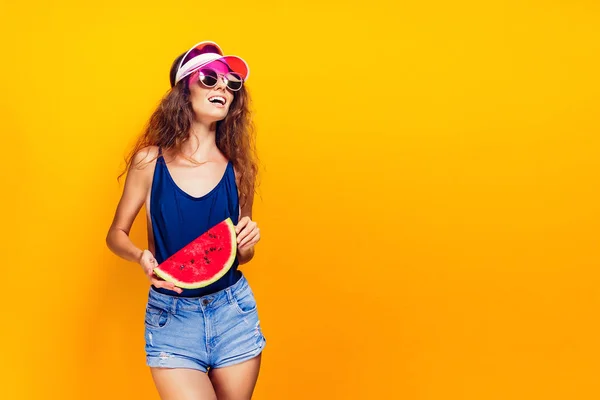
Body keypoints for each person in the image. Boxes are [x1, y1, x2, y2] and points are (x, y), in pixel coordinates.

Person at [105, 40, 266, 399]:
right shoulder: (149, 162)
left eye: (231, 84)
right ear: (183, 90)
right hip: (171, 316)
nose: (223, 87)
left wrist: (248, 243)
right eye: (210, 78)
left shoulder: (239, 171)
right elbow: (115, 233)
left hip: (232, 312)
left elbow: (239, 256)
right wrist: (139, 256)